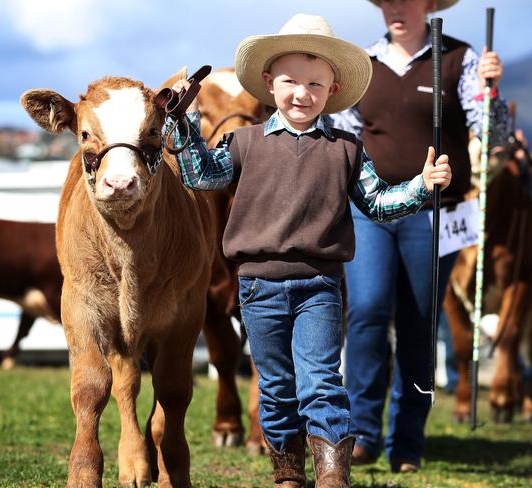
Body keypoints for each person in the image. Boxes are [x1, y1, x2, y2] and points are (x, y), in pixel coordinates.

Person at [169, 13, 451, 487]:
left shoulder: (348, 149)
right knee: (276, 388)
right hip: (257, 287)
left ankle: (332, 477)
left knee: (321, 381)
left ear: (333, 89)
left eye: (315, 84)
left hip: (320, 286)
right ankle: (287, 475)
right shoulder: (242, 143)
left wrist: (422, 186)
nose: (302, 93)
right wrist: (184, 121)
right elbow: (198, 174)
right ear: (268, 83)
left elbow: (380, 205)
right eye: (290, 81)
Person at [327, 0, 508, 472]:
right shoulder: (362, 65)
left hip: (435, 211)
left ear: (428, 5)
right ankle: (362, 432)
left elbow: (494, 134)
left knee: (419, 319)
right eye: (386, 0)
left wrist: (492, 91)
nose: (395, 8)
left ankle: (407, 440)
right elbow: (345, 137)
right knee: (365, 311)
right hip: (371, 208)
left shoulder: (461, 58)